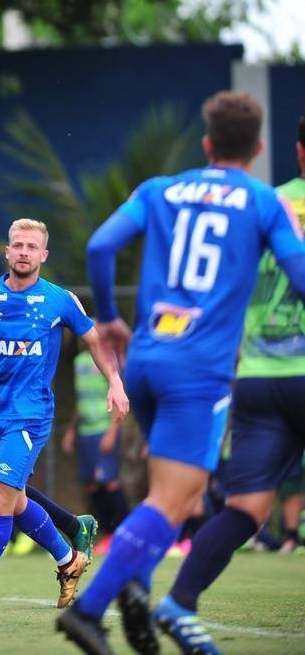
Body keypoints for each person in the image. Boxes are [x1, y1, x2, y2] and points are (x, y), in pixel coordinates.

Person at [57, 91, 305, 655]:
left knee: (169, 499)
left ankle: (138, 602)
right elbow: (298, 273)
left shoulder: (160, 189)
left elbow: (101, 244)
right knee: (177, 499)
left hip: (146, 357)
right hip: (200, 370)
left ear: (207, 144)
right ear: (260, 147)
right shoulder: (263, 201)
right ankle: (89, 612)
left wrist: (114, 320)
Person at [150, 111, 305, 654]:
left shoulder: (269, 201)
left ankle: (179, 601)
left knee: (246, 508)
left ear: (297, 151)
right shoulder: (262, 203)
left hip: (259, 378)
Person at [0, 218, 128, 611]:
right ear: (7, 250)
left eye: (31, 247)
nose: (23, 252)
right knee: (15, 500)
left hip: (29, 416)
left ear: (43, 255)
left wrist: (116, 383)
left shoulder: (60, 300)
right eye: (17, 244)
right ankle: (69, 559)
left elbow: (95, 341)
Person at [63, 350, 129, 553]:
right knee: (91, 485)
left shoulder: (109, 358)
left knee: (109, 483)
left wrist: (111, 432)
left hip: (103, 429)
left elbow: (117, 393)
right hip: (85, 432)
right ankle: (105, 535)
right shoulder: (79, 360)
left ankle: (122, 535)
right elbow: (82, 400)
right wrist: (71, 431)